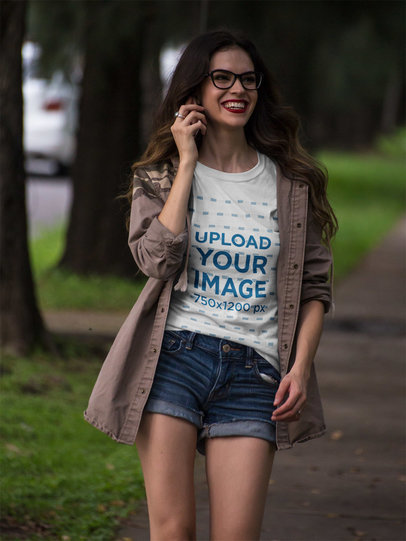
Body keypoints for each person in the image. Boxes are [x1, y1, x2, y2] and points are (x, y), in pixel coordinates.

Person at [84, 30, 337, 541]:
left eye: (248, 78)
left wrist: (301, 366)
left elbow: (315, 287)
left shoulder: (290, 182)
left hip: (256, 373)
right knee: (173, 530)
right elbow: (156, 260)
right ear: (195, 91)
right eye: (221, 77)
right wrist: (188, 163)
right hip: (175, 359)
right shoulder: (160, 176)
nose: (236, 89)